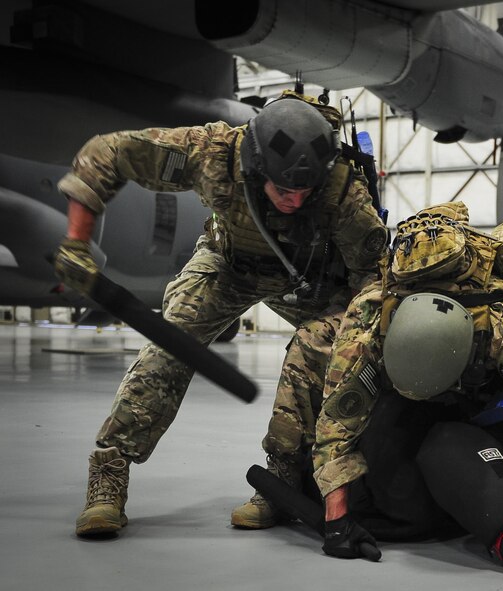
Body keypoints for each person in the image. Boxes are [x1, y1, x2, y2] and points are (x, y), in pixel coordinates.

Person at [53, 91, 389, 537]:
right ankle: (109, 475)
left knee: (322, 349)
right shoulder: (212, 153)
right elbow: (106, 153)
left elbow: (372, 278)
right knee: (170, 345)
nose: (294, 201)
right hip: (227, 265)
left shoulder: (342, 191)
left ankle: (282, 483)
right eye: (283, 189)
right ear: (257, 167)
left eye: (304, 192)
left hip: (307, 279)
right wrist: (76, 244)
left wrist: (344, 342)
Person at [310, 202, 503, 577]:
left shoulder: (502, 320)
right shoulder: (371, 312)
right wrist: (337, 521)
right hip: (397, 412)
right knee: (397, 500)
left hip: (480, 411)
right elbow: (337, 419)